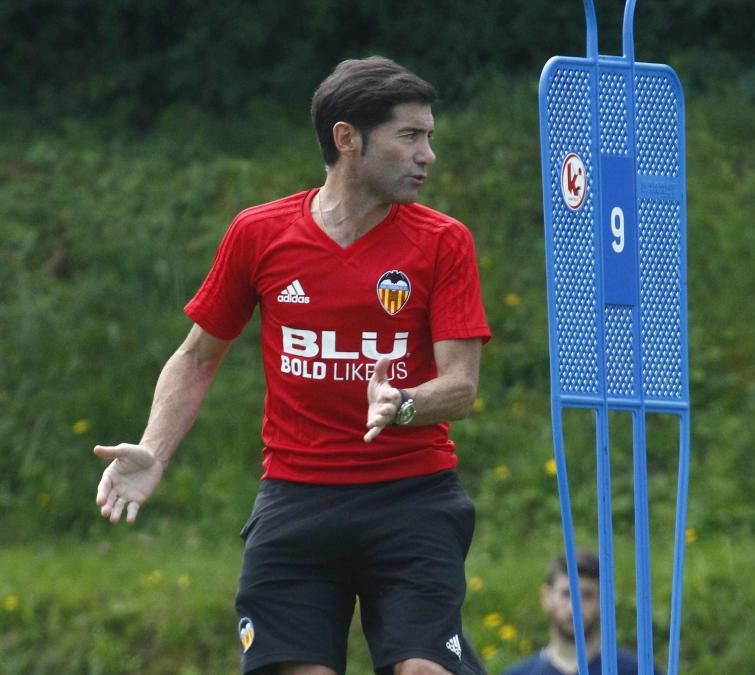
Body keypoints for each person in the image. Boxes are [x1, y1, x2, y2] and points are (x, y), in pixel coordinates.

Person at [93, 56, 491, 675]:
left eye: (429, 137)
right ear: (347, 138)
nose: (428, 155)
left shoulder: (444, 241)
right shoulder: (259, 233)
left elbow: (461, 386)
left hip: (412, 498)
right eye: (410, 136)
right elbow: (198, 356)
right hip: (298, 501)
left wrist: (404, 404)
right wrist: (154, 451)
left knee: (423, 670)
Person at [502, 550, 662, 675]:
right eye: (566, 594)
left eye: (587, 595)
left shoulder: (637, 671)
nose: (574, 608)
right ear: (547, 597)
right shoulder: (519, 673)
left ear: (604, 601)